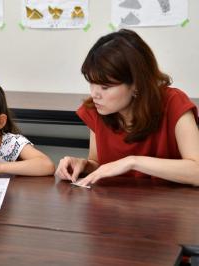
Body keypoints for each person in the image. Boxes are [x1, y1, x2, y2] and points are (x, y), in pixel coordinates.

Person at [55, 29, 199, 186]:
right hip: (117, 206)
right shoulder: (96, 108)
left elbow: (196, 170)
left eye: (105, 87)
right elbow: (98, 163)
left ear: (136, 84)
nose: (95, 94)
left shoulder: (174, 103)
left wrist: (133, 162)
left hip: (171, 206)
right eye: (92, 82)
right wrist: (84, 165)